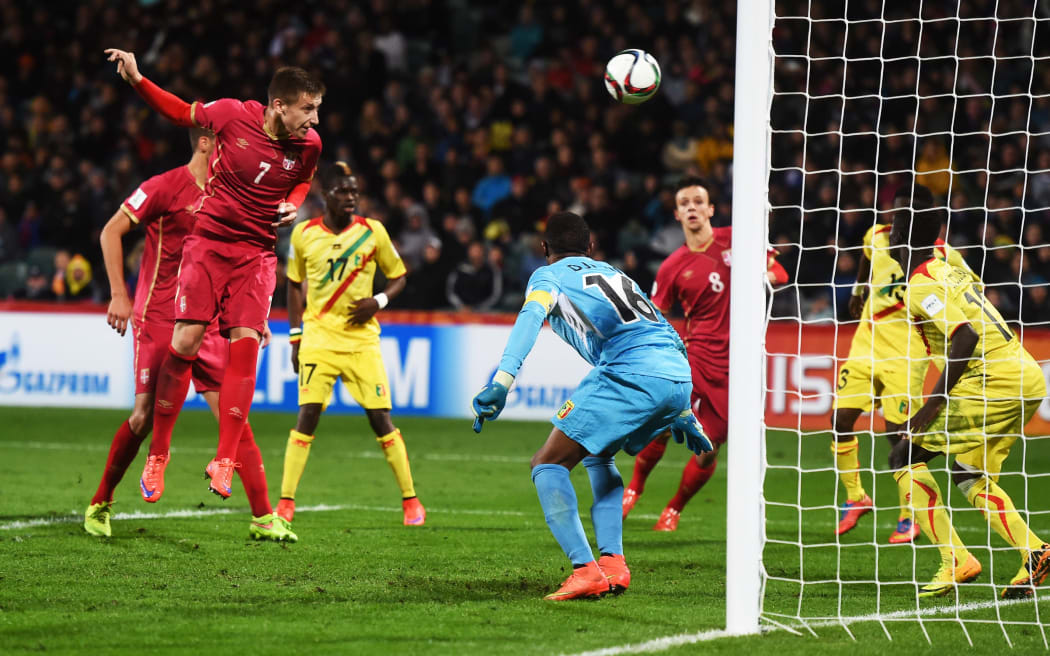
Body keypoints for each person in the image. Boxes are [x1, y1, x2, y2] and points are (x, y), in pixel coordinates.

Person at [104, 48, 323, 500]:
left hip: (257, 254)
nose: (315, 120)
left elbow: (304, 178)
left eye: (317, 109)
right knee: (185, 341)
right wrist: (138, 79)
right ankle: (158, 454)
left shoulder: (309, 145)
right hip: (209, 244)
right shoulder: (231, 115)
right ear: (279, 105)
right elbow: (177, 111)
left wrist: (294, 203)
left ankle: (224, 460)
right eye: (308, 109)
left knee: (246, 347)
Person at [471, 211, 712, 601]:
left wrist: (502, 381)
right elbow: (664, 329)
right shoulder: (616, 274)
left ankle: (585, 570)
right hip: (677, 374)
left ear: (544, 247)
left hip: (630, 372)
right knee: (599, 455)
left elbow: (531, 316)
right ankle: (613, 564)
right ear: (591, 246)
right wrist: (683, 408)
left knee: (547, 463)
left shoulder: (548, 275)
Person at [84, 128, 295, 542]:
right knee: (143, 416)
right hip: (161, 315)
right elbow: (111, 231)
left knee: (234, 418)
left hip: (209, 318)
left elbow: (242, 257)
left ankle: (263, 516)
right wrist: (118, 294)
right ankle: (101, 501)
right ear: (204, 142)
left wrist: (251, 315)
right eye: (226, 141)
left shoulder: (231, 193)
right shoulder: (164, 186)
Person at [887, 190, 1049, 599]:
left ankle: (956, 558)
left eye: (893, 225)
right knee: (968, 473)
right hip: (1025, 372)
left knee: (902, 456)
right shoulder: (948, 269)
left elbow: (966, 334)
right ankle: (1035, 550)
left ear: (899, 235)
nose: (888, 232)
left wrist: (934, 402)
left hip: (992, 379)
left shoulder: (921, 283)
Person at [621, 177, 788, 531]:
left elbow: (780, 272)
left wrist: (761, 277)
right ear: (677, 214)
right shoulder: (672, 266)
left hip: (737, 364)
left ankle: (674, 508)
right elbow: (656, 313)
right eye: (685, 203)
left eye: (698, 201)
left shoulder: (738, 239)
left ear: (711, 209)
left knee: (709, 447)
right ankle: (634, 488)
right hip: (694, 355)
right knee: (662, 422)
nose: (692, 207)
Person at [278, 162, 425, 530]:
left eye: (354, 191)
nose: (351, 197)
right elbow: (293, 285)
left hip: (361, 341)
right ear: (325, 195)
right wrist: (295, 337)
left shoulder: (373, 231)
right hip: (319, 339)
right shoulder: (303, 234)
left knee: (380, 419)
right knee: (307, 416)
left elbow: (399, 276)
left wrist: (379, 301)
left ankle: (411, 500)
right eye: (343, 191)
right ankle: (285, 502)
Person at [832, 184, 978, 542]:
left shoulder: (943, 254)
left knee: (898, 433)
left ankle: (908, 516)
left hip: (909, 350)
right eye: (896, 210)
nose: (897, 218)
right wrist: (858, 290)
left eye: (906, 212)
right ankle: (856, 497)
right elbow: (866, 259)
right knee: (840, 419)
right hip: (867, 341)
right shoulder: (877, 236)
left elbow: (972, 287)